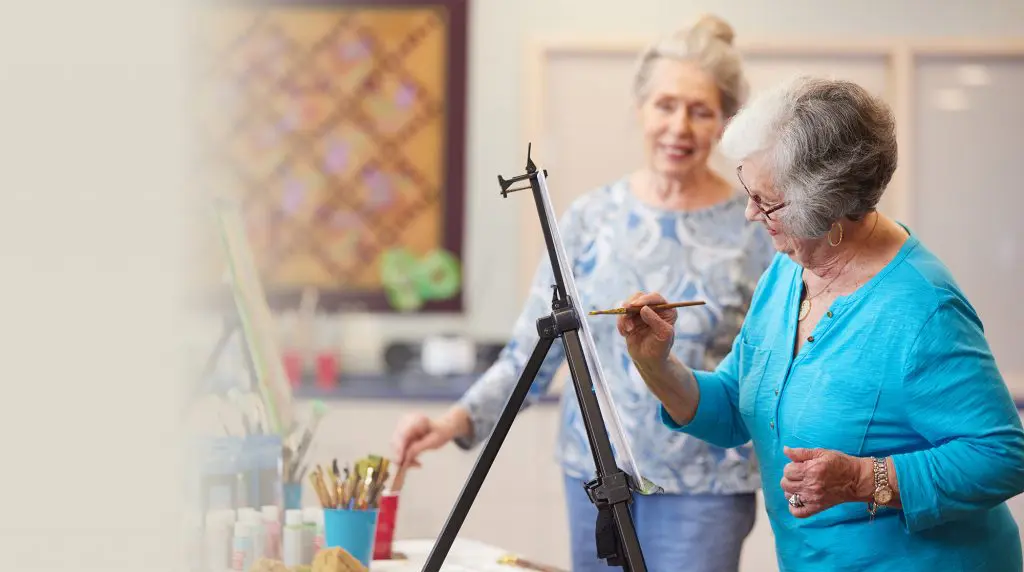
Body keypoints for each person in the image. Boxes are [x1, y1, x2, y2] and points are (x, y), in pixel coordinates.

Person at [391, 14, 775, 572]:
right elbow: (531, 351)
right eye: (665, 105)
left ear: (724, 123)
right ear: (640, 108)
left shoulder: (755, 226)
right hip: (594, 474)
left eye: (700, 111)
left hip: (706, 485)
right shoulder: (590, 219)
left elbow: (772, 363)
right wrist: (455, 420)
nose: (679, 127)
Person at [618, 74, 1024, 571]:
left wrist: (862, 478)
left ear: (828, 207)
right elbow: (734, 408)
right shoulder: (789, 271)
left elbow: (1003, 454)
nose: (749, 213)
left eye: (766, 201)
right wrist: (656, 364)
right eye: (750, 189)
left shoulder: (922, 309)